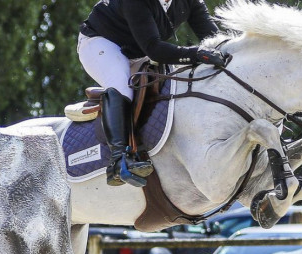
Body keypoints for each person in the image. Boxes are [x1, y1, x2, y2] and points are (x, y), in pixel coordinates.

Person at [78, 0, 226, 187]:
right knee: (121, 84)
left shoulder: (192, 2)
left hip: (139, 52)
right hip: (101, 43)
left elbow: (215, 40)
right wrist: (197, 54)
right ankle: (118, 160)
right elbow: (155, 49)